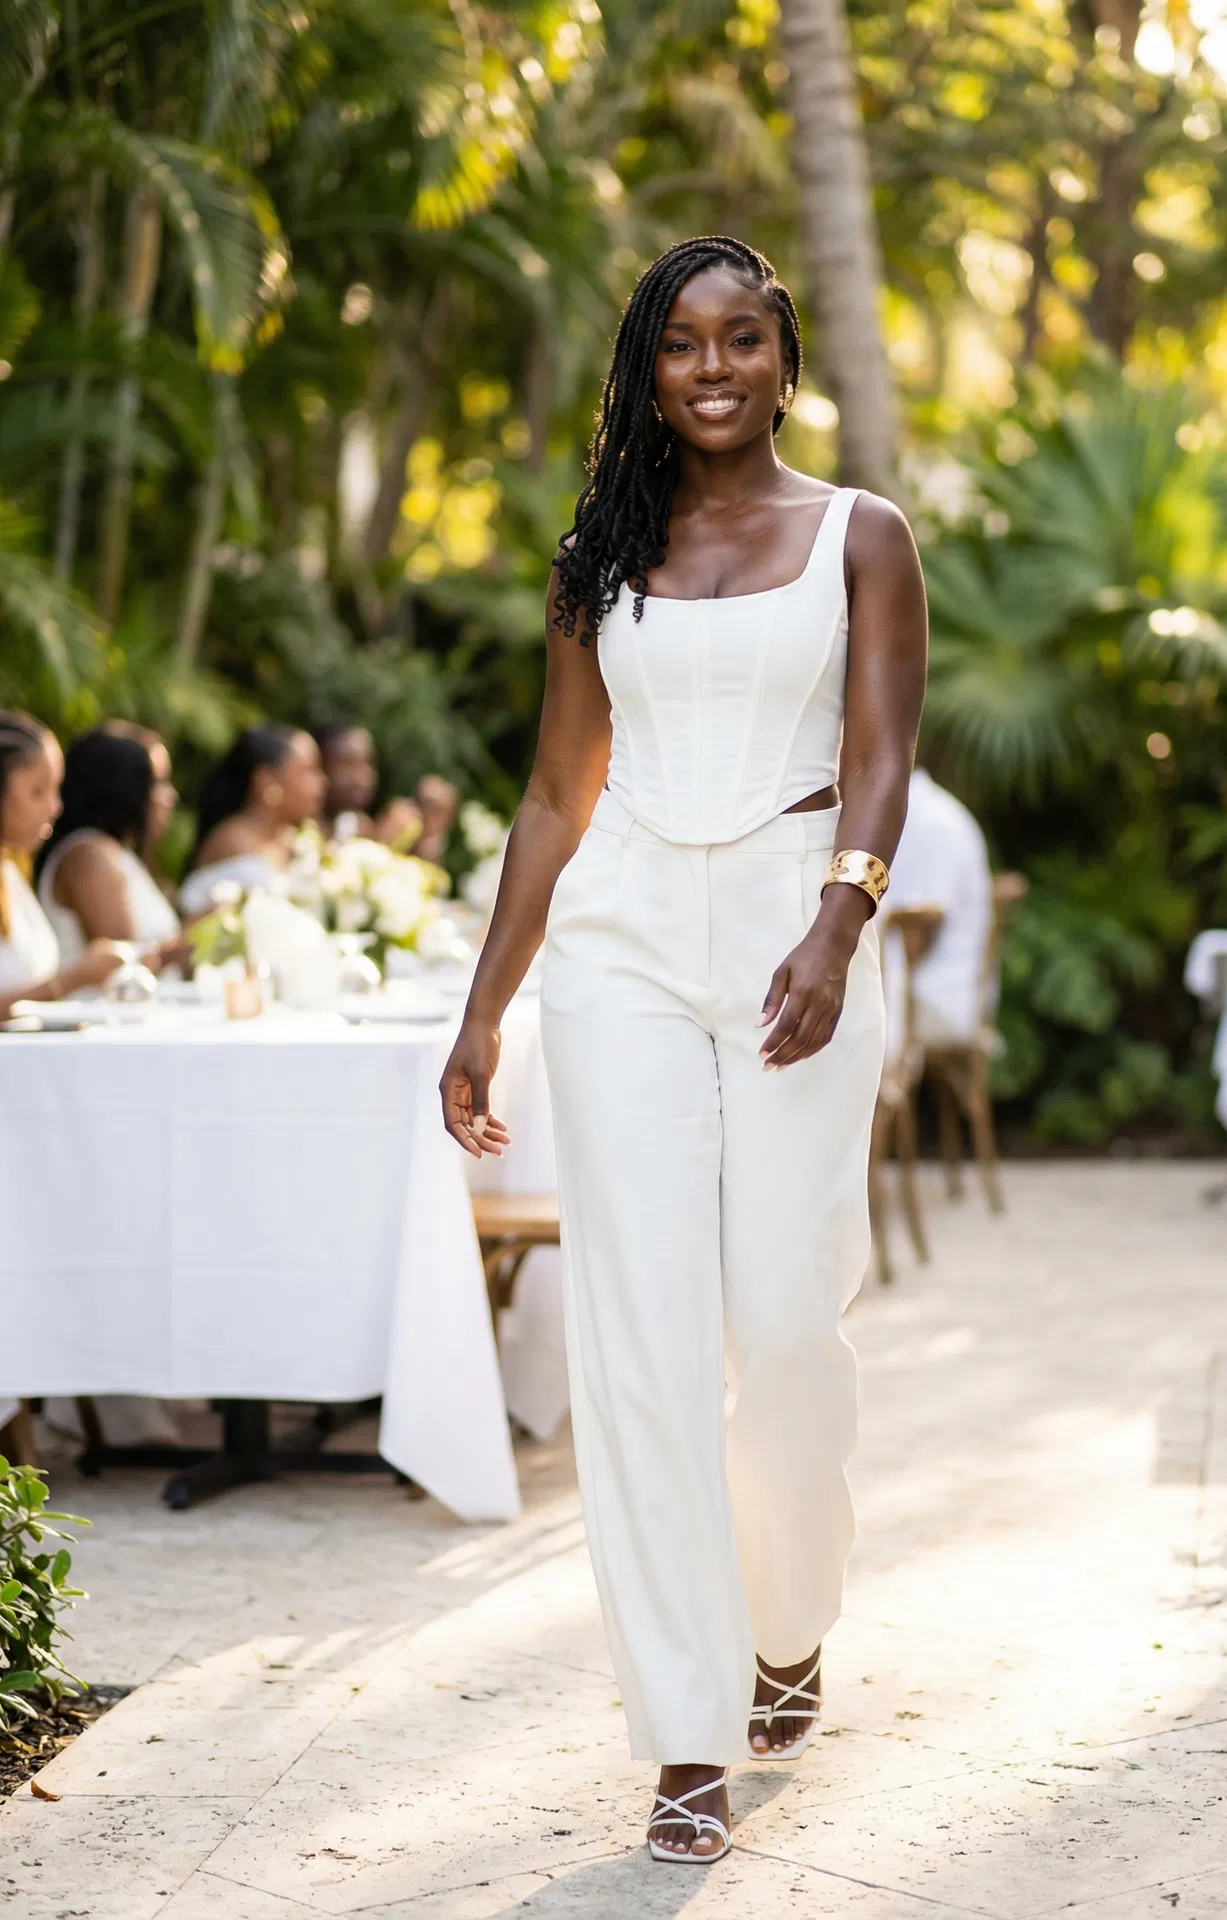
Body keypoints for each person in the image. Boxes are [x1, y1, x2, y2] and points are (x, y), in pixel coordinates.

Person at [439, 237, 926, 1863]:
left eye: (738, 339)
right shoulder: (599, 558)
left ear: (783, 360)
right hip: (622, 950)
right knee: (638, 1340)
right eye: (676, 343)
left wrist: (836, 925)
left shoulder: (861, 537)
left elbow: (876, 757)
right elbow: (553, 795)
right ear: (643, 369)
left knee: (785, 1329)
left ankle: (788, 1620)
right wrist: (484, 1005)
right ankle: (685, 1729)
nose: (708, 366)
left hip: (794, 944)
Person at [0, 712, 123, 1019]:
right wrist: (73, 979)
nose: (56, 808)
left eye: (56, 789)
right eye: (38, 791)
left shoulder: (11, 872)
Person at [36, 725, 182, 964]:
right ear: (121, 788)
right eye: (156, 783)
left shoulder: (116, 852)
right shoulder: (90, 856)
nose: (169, 796)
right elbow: (124, 964)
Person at [884, 766, 992, 1043]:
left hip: (938, 997)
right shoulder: (920, 810)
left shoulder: (931, 823)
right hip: (930, 987)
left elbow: (915, 938)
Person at [180, 723, 325, 916]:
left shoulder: (297, 838)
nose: (321, 783)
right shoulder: (234, 842)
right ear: (267, 781)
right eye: (308, 771)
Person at [316, 722, 459, 863]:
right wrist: (382, 847)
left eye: (368, 763)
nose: (362, 778)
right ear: (321, 766)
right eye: (348, 764)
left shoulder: (361, 825)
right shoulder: (307, 832)